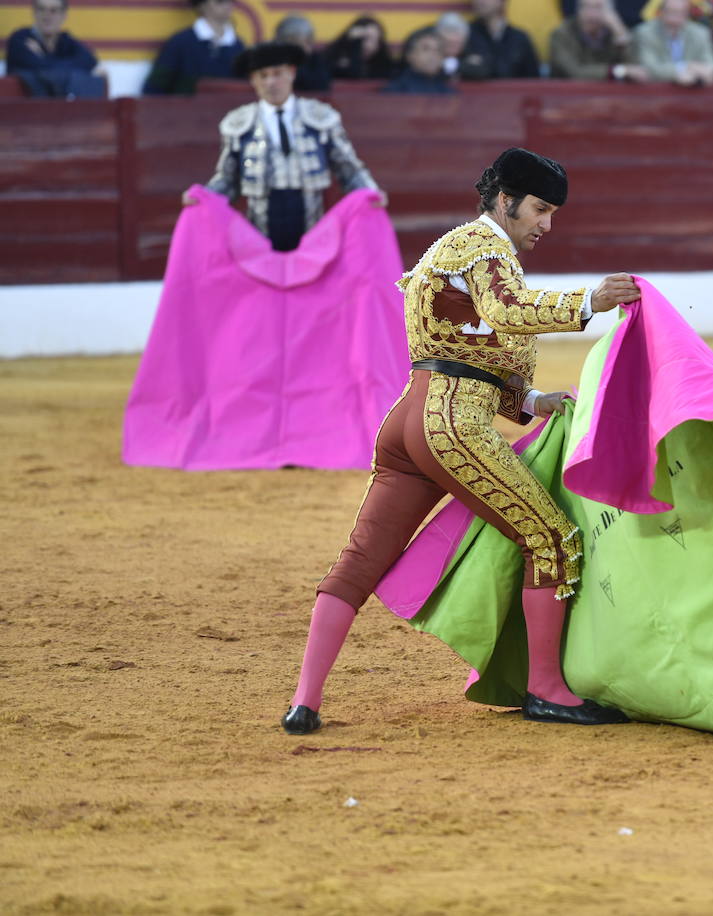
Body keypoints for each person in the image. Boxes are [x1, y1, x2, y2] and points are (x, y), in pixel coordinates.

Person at [281, 148, 644, 734]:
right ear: (506, 201)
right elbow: (506, 312)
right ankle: (547, 689)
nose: (546, 225)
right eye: (539, 209)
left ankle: (305, 702)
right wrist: (587, 303)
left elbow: (462, 341)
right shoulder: (485, 245)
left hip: (411, 417)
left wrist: (527, 402)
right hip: (449, 424)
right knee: (553, 540)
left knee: (360, 559)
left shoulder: (450, 250)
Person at [184, 42, 385, 252]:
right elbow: (227, 180)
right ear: (253, 80)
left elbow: (349, 169)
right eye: (262, 75)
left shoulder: (320, 117)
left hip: (312, 223)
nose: (271, 82)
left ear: (291, 73)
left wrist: (370, 192)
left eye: (277, 73)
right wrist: (203, 198)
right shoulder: (239, 124)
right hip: (260, 227)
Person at [5, 0, 105, 97]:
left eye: (54, 10)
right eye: (41, 9)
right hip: (22, 110)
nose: (47, 16)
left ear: (64, 15)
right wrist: (70, 69)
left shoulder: (66, 41)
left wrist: (43, 58)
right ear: (34, 12)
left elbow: (89, 60)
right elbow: (43, 70)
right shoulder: (21, 40)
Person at [142, 0, 244, 95]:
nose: (228, 3)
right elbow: (154, 90)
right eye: (219, 0)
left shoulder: (238, 47)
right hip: (184, 113)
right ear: (201, 5)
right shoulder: (180, 43)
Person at [631, 0, 713, 83]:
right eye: (672, 12)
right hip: (656, 93)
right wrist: (685, 68)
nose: (676, 17)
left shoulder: (700, 33)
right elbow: (649, 68)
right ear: (661, 12)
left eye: (681, 13)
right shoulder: (645, 32)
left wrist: (704, 72)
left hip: (693, 93)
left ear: (687, 14)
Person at [549, 0, 639, 80]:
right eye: (586, 7)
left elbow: (637, 71)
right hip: (567, 95)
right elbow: (575, 72)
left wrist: (620, 34)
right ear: (578, 10)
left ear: (611, 12)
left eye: (598, 8)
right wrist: (618, 71)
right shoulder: (562, 34)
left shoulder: (615, 32)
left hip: (610, 96)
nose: (591, 14)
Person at [463, 0, 542, 79]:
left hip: (514, 91)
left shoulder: (519, 38)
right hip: (476, 91)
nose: (480, 1)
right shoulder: (464, 35)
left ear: (502, 2)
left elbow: (534, 79)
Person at [383, 27, 456, 93]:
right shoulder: (394, 92)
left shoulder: (449, 94)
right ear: (410, 56)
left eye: (438, 50)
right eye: (426, 49)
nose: (433, 55)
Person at [324, 15, 394, 80]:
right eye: (364, 39)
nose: (368, 45)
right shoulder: (334, 59)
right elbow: (353, 75)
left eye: (375, 40)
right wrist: (354, 47)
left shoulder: (386, 65)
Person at [274, 14, 331, 93]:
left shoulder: (316, 60)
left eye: (309, 39)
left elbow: (321, 85)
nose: (310, 43)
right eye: (306, 40)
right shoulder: (274, 60)